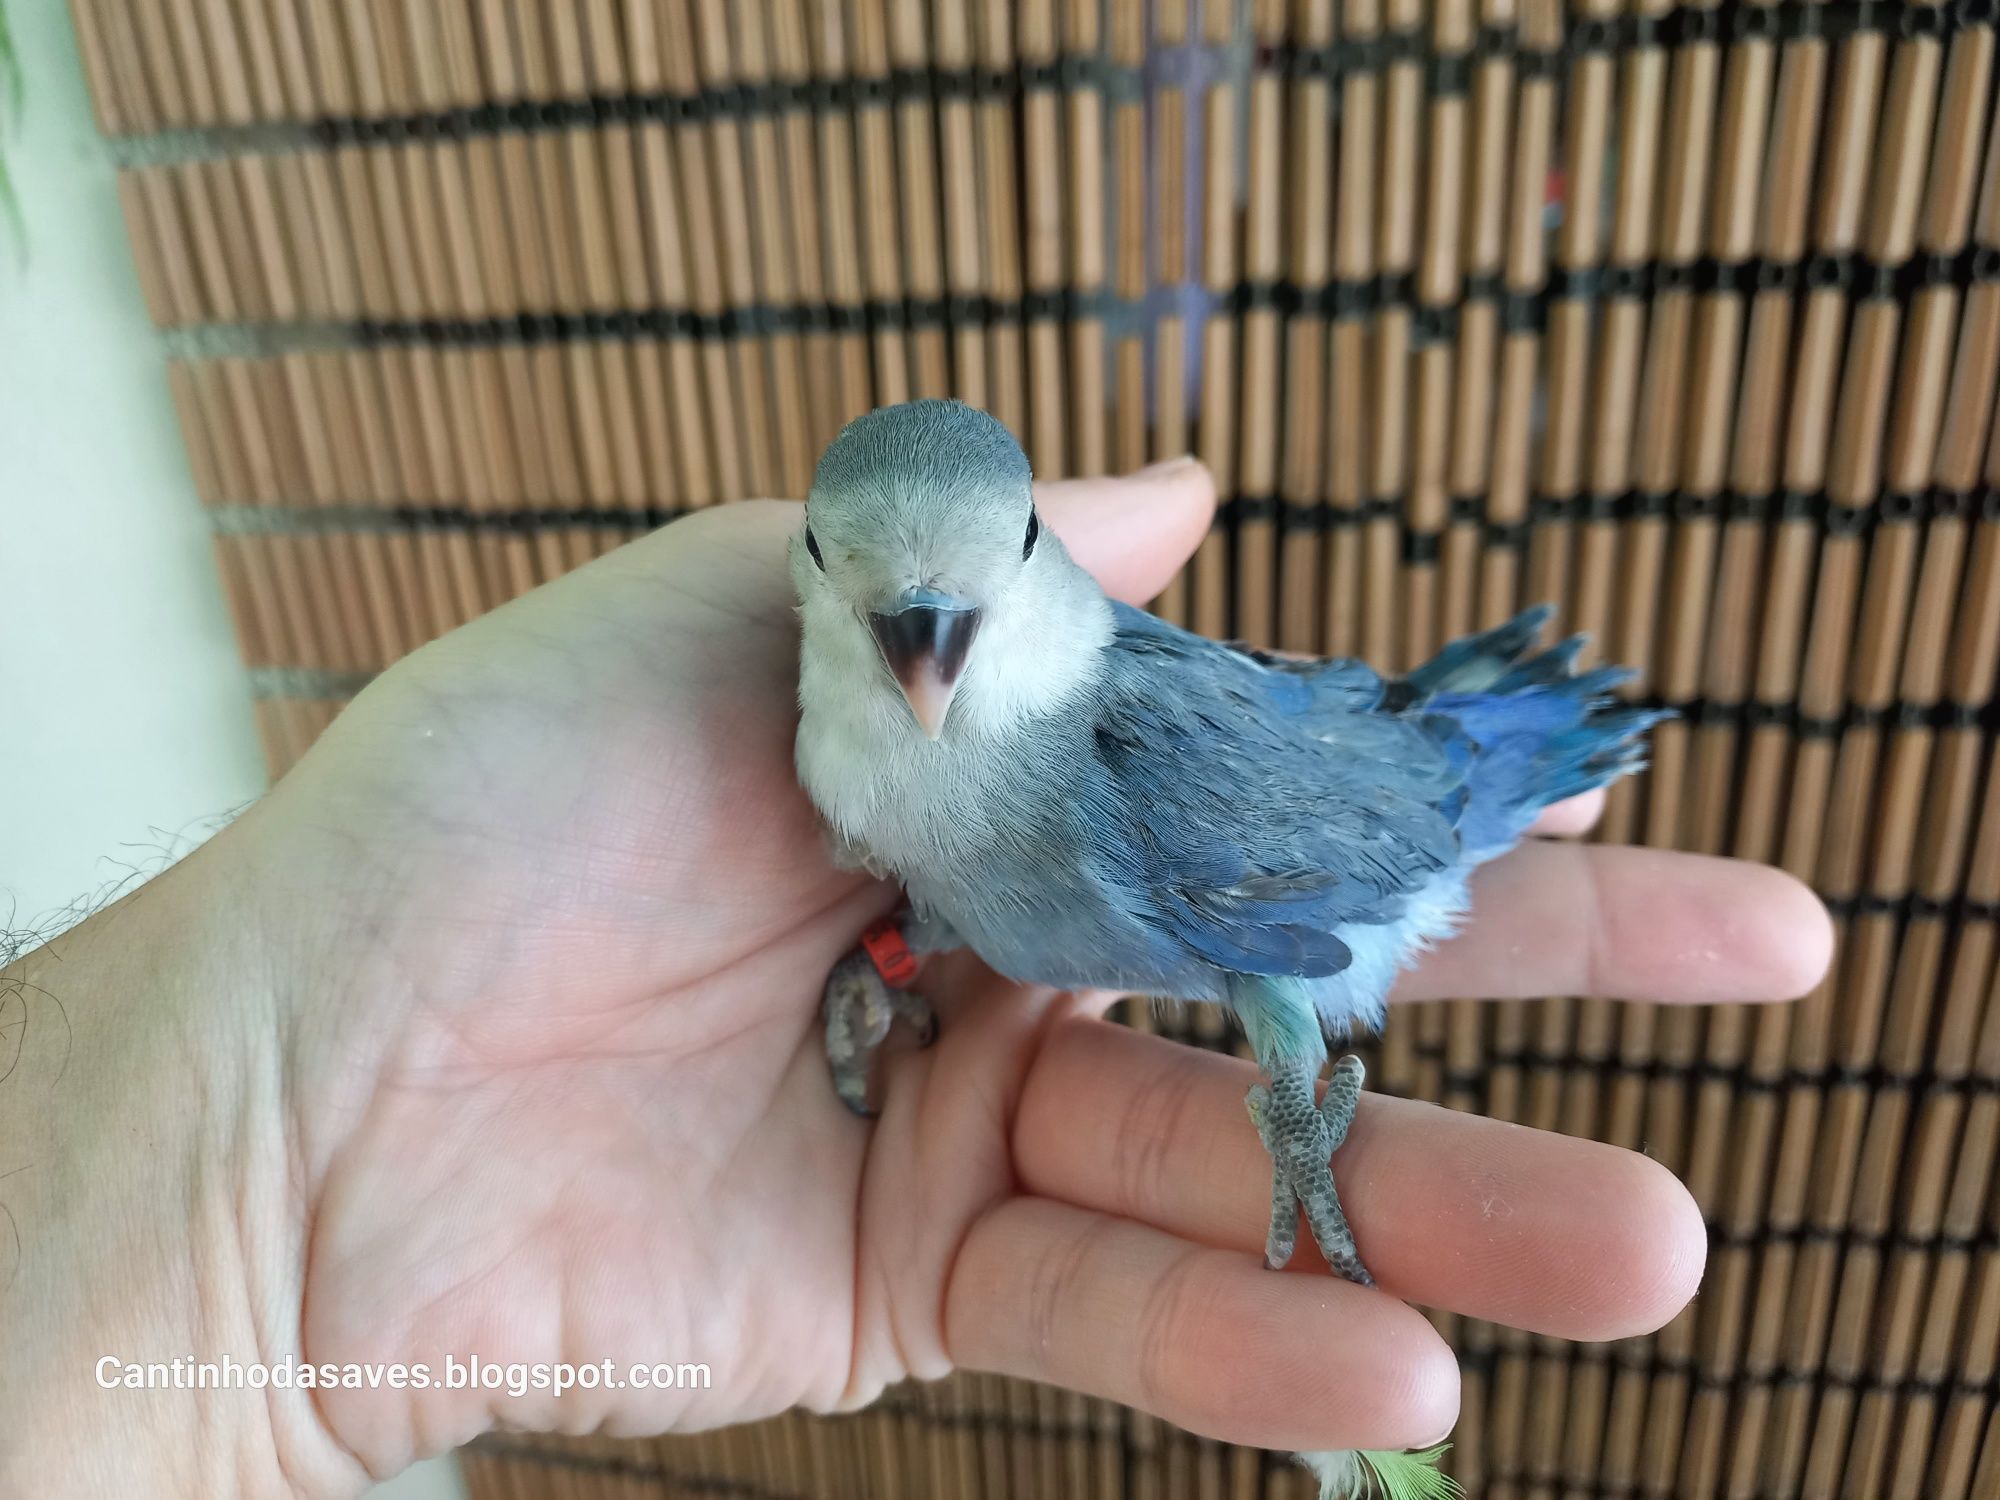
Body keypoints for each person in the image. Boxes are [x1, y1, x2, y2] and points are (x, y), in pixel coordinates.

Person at [1, 463, 1831, 1496]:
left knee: (1279, 989)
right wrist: (907, 938)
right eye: (874, 606)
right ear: (814, 581)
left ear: (1046, 553)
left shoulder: (1144, 772)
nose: (926, 659)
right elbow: (967, 860)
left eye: (988, 581)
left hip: (1370, 833)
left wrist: (1299, 1127)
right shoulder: (845, 747)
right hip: (1026, 921)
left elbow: (1316, 933)